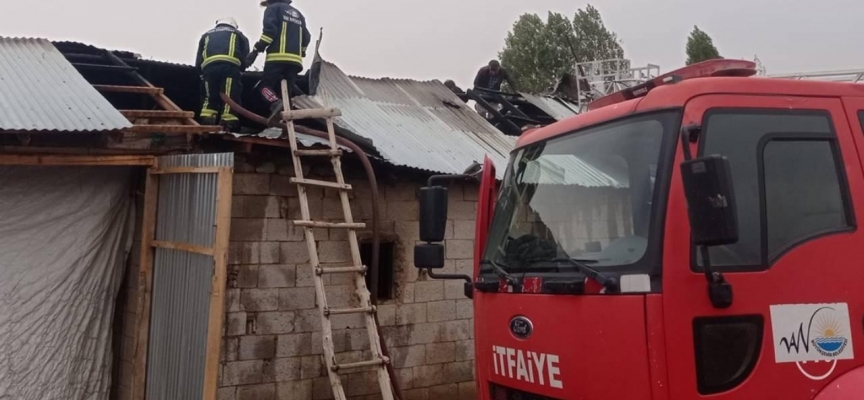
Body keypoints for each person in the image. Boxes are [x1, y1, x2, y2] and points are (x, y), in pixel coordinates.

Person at [247, 0, 311, 117]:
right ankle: (285, 118)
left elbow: (269, 33)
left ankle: (275, 103)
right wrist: (301, 52)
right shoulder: (298, 14)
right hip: (295, 61)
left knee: (265, 88)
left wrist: (256, 50)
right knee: (287, 93)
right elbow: (307, 37)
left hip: (277, 58)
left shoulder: (273, 9)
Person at [195, 17, 250, 131]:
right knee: (230, 95)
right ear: (233, 25)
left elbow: (199, 58)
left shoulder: (206, 35)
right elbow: (245, 56)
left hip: (209, 69)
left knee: (209, 96)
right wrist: (241, 69)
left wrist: (201, 73)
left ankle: (207, 121)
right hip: (230, 68)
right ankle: (228, 124)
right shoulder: (239, 34)